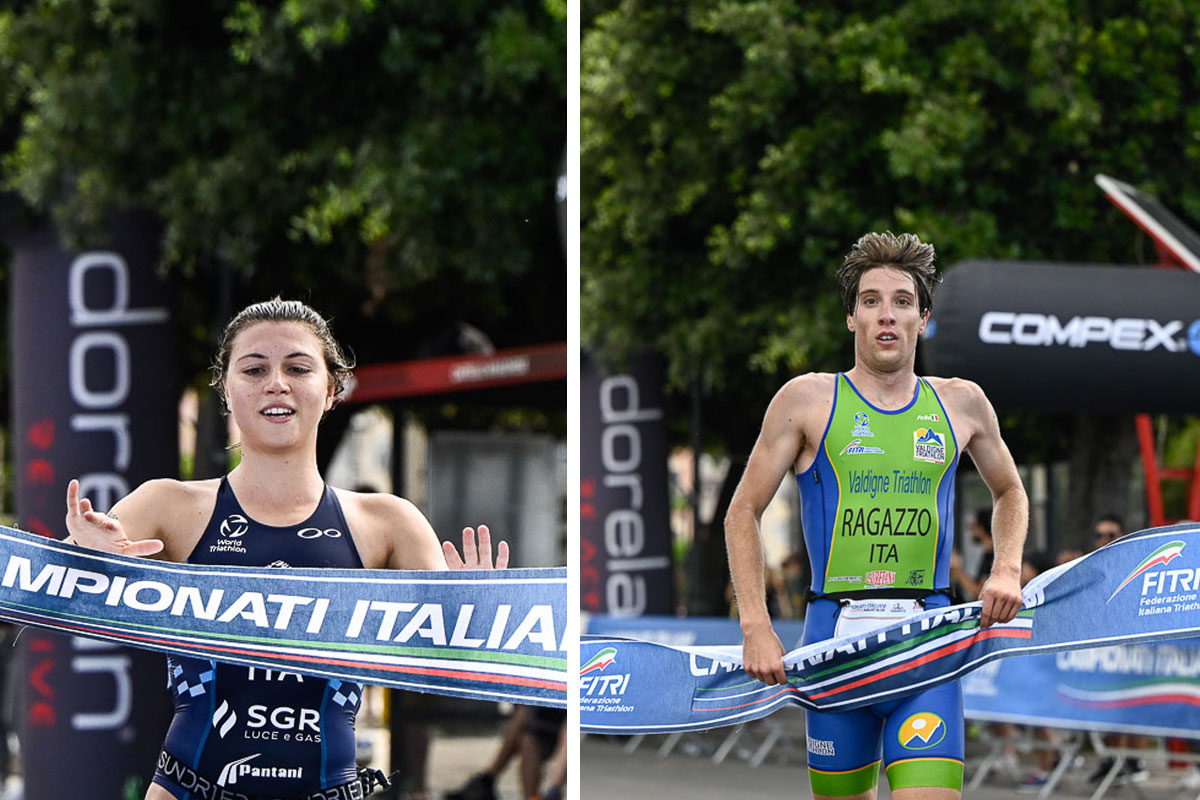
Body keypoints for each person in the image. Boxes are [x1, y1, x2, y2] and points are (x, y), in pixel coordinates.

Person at [64, 298, 507, 800]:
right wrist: (81, 562)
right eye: (254, 369)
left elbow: (454, 669)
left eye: (298, 367)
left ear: (332, 388)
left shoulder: (388, 522)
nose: (277, 383)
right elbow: (28, 595)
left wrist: (481, 618)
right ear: (226, 390)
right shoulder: (169, 505)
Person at [725, 232, 1027, 800]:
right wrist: (756, 626)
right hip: (834, 644)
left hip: (925, 640)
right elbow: (743, 511)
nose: (886, 315)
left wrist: (1006, 567)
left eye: (902, 301)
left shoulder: (961, 402)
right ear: (851, 318)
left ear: (923, 318)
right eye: (870, 301)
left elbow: (1011, 491)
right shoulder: (806, 400)